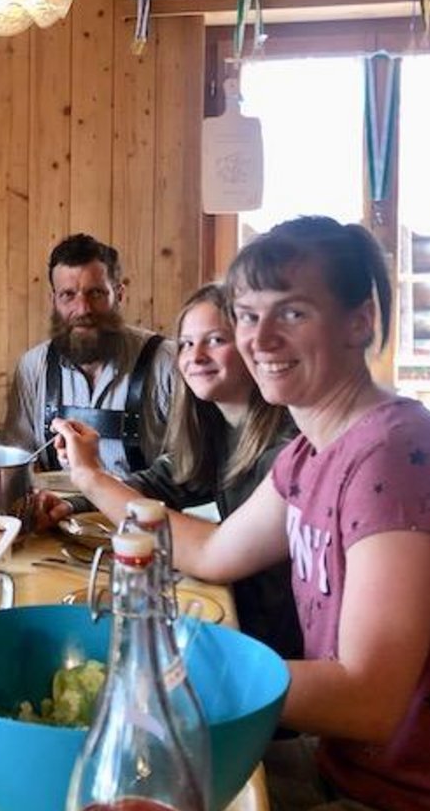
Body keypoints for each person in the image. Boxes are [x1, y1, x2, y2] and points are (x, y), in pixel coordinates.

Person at [54, 217, 430, 811]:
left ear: (360, 322)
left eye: (292, 313)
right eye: (247, 315)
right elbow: (215, 553)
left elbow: (367, 697)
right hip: (363, 771)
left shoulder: (395, 460)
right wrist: (92, 480)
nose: (260, 339)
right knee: (143, 796)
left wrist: (171, 673)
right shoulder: (312, 452)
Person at [53, 282, 302, 659]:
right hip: (242, 624)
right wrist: (68, 503)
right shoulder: (216, 427)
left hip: (278, 651)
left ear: (254, 345)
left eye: (216, 340)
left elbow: (214, 555)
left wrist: (91, 476)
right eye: (186, 344)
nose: (195, 356)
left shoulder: (286, 445)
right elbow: (162, 482)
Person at [3, 233, 173, 477]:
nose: (82, 309)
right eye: (68, 295)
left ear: (119, 294)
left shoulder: (165, 361)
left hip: (141, 512)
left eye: (96, 294)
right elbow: (18, 459)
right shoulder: (33, 367)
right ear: (54, 301)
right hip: (56, 512)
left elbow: (189, 465)